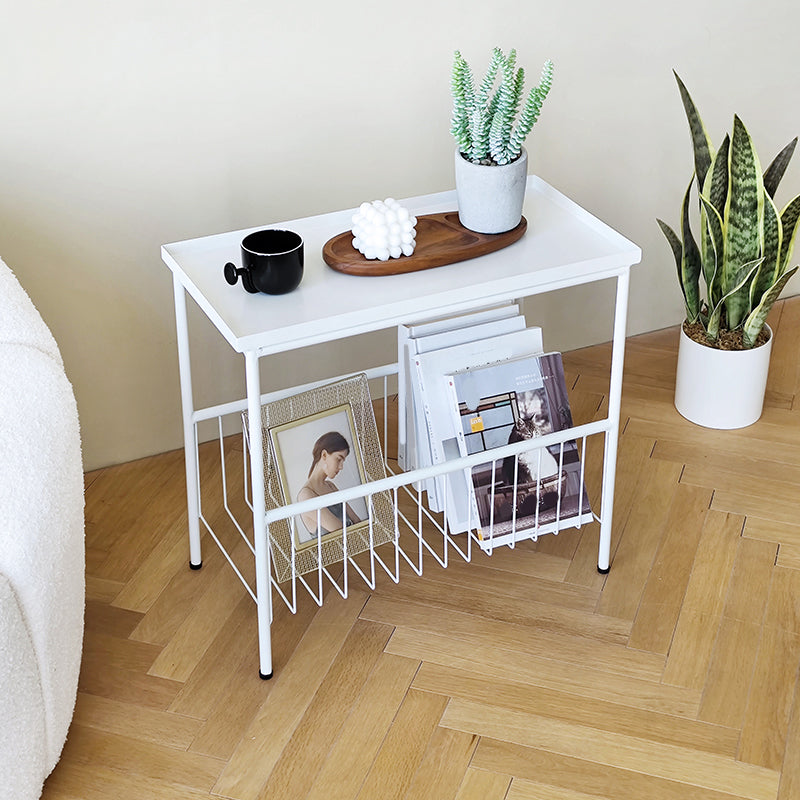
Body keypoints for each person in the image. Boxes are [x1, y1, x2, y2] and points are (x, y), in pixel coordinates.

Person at [297, 431, 362, 538]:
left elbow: (356, 520)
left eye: (343, 461)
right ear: (324, 455)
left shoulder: (331, 486)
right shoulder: (306, 496)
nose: (341, 467)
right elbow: (340, 531)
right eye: (339, 459)